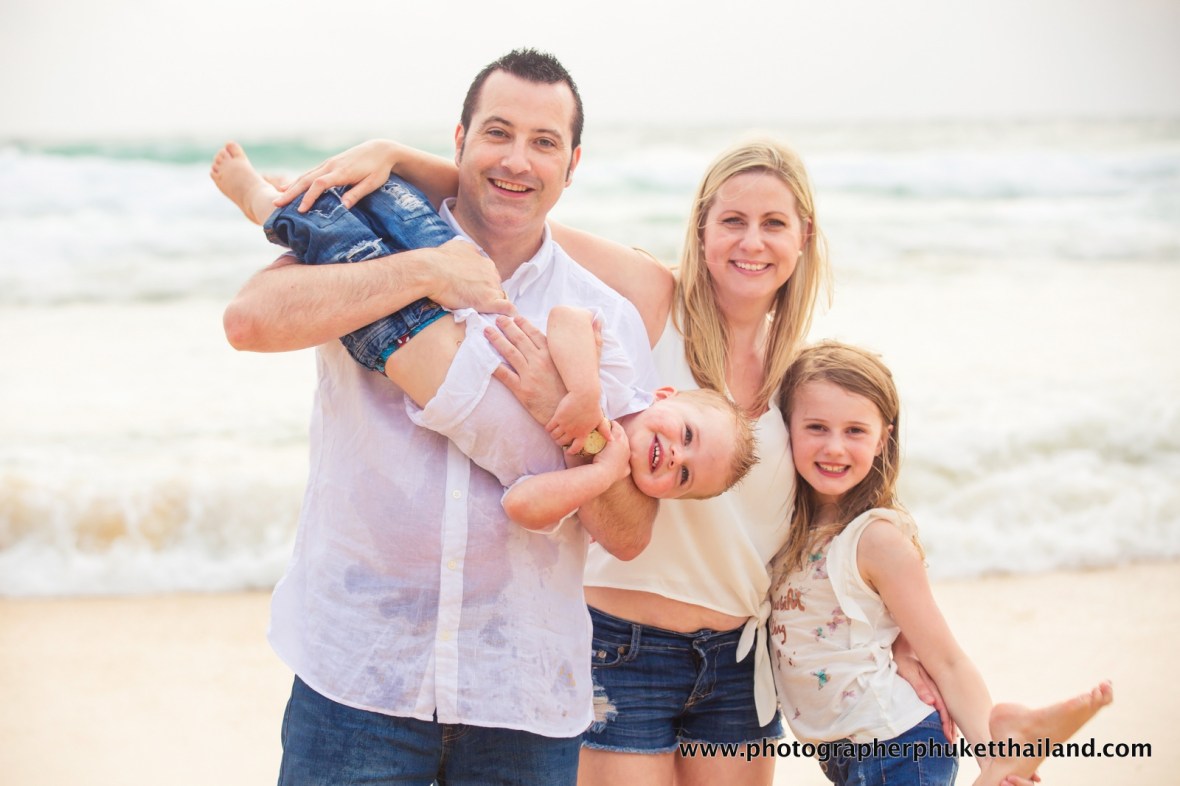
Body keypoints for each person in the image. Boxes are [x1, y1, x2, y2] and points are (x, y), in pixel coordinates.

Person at [276, 136, 944, 786]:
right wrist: (398, 159)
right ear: (702, 228)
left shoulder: (799, 371)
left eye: (774, 224)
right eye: (732, 220)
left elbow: (837, 504)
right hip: (623, 648)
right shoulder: (655, 295)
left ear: (803, 238)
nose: (751, 241)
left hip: (741, 660)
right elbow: (517, 209)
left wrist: (900, 630)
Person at [221, 49, 666, 785]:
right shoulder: (374, 250)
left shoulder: (601, 314)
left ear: (573, 162)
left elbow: (629, 532)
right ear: (458, 141)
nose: (516, 160)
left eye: (543, 142)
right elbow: (249, 322)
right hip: (357, 677)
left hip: (520, 696)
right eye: (498, 133)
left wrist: (581, 425)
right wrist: (428, 273)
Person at [211, 149, 759, 523]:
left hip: (408, 347)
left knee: (335, 239)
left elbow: (521, 506)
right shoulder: (622, 387)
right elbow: (571, 321)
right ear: (667, 396)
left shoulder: (590, 470)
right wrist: (586, 396)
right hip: (467, 298)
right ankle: (281, 188)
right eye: (687, 434)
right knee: (394, 203)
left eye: (685, 477)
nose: (674, 457)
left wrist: (599, 476)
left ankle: (262, 198)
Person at [770, 340, 1113, 786]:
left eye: (855, 430)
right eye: (817, 427)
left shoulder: (876, 539)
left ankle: (1004, 750)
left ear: (881, 440)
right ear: (786, 429)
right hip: (851, 751)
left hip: (897, 744)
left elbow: (946, 659)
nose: (834, 447)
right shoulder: (784, 529)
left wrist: (988, 755)